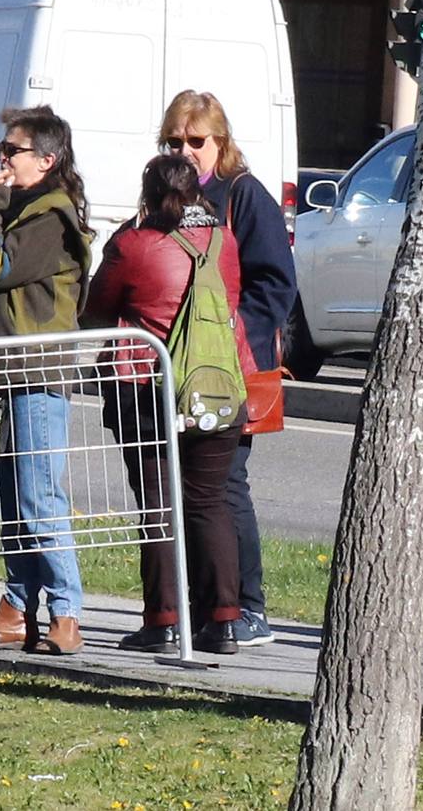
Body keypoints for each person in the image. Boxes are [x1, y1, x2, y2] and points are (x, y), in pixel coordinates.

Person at [83, 154, 249, 655]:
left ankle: (164, 620)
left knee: (159, 505)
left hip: (147, 387)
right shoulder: (224, 240)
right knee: (209, 502)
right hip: (218, 384)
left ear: (148, 192)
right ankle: (223, 621)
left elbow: (96, 311)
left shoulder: (134, 245)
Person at [156, 90, 296, 648]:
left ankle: (250, 606)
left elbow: (277, 284)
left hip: (229, 367)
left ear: (220, 142)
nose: (185, 150)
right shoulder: (166, 196)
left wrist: (235, 333)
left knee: (225, 485)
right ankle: (208, 604)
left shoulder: (243, 195)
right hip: (178, 365)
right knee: (186, 487)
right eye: (174, 140)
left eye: (196, 141)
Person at [0, 105, 92, 655]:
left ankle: (66, 610)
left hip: (36, 373)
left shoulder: (49, 218)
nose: (2, 160)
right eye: (0, 150)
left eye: (12, 150)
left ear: (48, 159)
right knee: (9, 498)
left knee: (38, 498)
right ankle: (14, 610)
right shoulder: (24, 209)